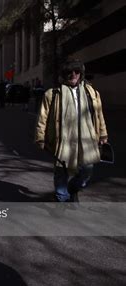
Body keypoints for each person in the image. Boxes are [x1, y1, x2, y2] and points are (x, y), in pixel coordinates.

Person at [35, 58, 108, 202]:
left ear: (81, 74)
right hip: (62, 139)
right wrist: (40, 137)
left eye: (76, 71)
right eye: (69, 72)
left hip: (87, 139)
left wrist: (103, 134)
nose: (73, 74)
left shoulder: (91, 92)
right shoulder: (52, 94)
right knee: (61, 171)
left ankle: (73, 188)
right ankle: (62, 199)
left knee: (87, 169)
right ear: (64, 75)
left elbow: (99, 114)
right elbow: (42, 118)